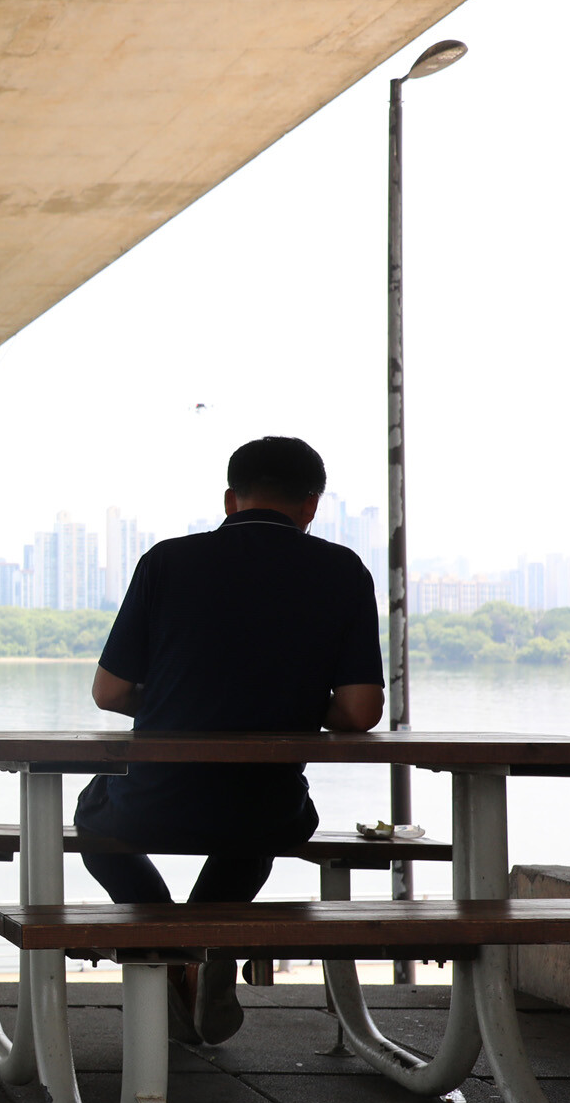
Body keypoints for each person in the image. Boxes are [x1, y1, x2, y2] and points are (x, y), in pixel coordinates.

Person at [77, 436, 384, 1045]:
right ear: (311, 506)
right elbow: (359, 711)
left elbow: (109, 694)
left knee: (91, 814)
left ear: (228, 499)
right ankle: (200, 950)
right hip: (268, 809)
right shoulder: (342, 569)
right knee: (264, 820)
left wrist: (177, 705)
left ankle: (169, 948)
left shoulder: (167, 561)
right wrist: (286, 707)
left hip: (154, 807)